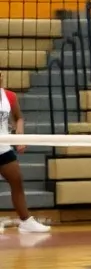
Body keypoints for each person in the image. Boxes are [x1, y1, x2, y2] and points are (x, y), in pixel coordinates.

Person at [0, 75, 49, 233]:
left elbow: (19, 118)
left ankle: (25, 221)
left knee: (17, 180)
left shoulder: (9, 96)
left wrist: (20, 137)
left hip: (3, 147)